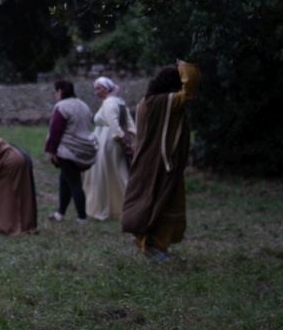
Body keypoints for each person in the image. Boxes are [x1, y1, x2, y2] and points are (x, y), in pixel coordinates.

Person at [122, 62, 201, 262]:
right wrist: (184, 65)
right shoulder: (167, 102)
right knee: (161, 202)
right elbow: (190, 88)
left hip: (146, 162)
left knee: (150, 200)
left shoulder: (145, 102)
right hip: (161, 163)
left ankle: (149, 243)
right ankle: (154, 247)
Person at [44, 79, 98, 222]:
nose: (54, 95)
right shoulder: (84, 105)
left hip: (67, 149)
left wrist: (52, 151)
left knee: (74, 182)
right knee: (65, 179)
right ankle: (60, 213)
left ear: (60, 91)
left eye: (55, 92)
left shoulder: (61, 107)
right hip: (84, 147)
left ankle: (82, 217)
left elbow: (55, 130)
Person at [84, 76, 134, 221]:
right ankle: (122, 206)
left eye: (98, 88)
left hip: (108, 142)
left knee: (111, 174)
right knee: (115, 173)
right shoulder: (119, 102)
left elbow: (114, 124)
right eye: (95, 88)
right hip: (107, 140)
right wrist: (131, 136)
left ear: (106, 89)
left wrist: (123, 139)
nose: (96, 92)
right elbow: (129, 122)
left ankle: (120, 207)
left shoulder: (109, 103)